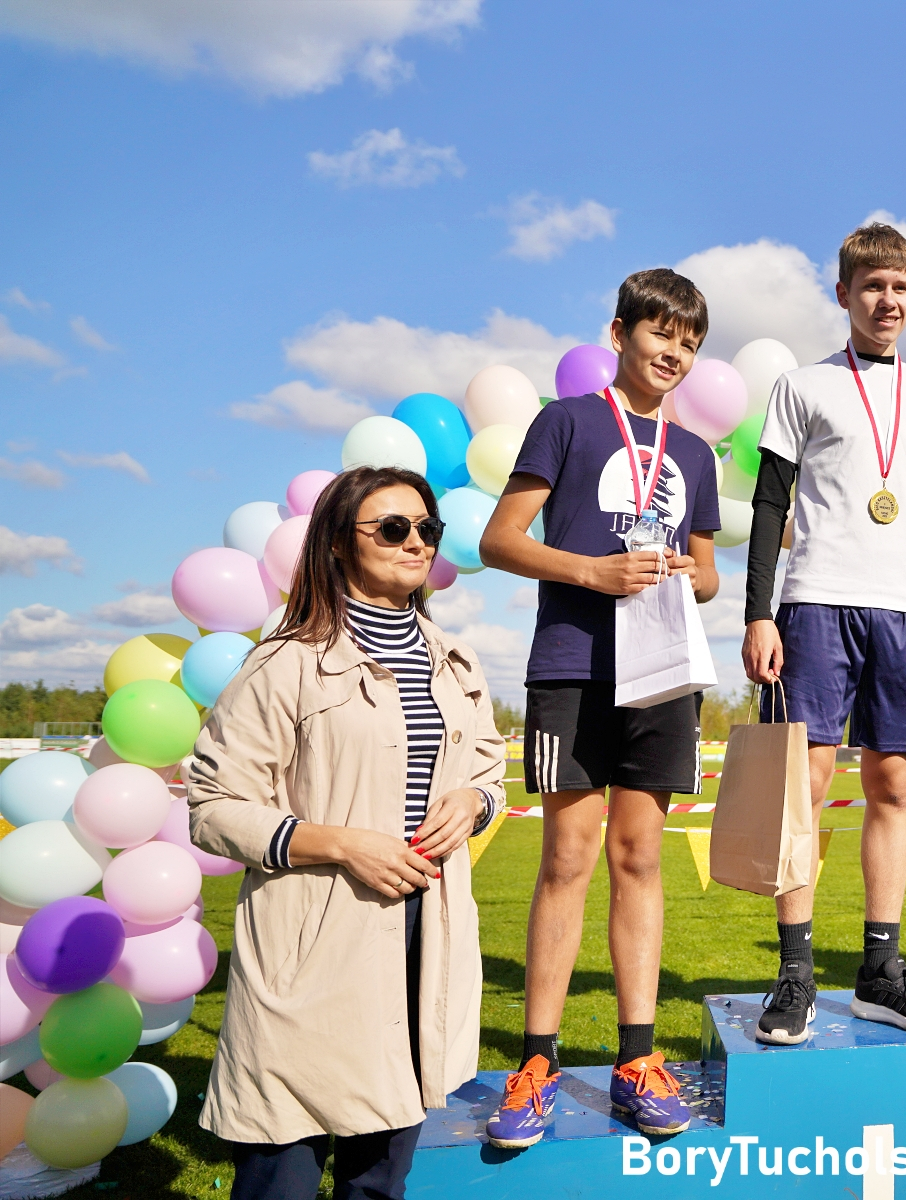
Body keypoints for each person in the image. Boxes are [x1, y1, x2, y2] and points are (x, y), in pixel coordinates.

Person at [186, 467, 507, 1200]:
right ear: (338, 542)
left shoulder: (454, 661)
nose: (416, 542)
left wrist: (473, 802)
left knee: (381, 1175)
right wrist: (341, 843)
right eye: (392, 528)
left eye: (428, 528)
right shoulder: (286, 662)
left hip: (425, 932)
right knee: (284, 1168)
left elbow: (488, 770)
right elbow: (212, 804)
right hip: (315, 935)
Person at [479, 269, 721, 1144]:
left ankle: (637, 1059)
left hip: (662, 671)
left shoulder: (695, 454)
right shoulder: (568, 421)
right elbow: (498, 539)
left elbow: (710, 573)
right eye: (661, 334)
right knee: (566, 859)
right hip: (574, 667)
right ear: (619, 333)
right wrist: (593, 571)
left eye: (690, 343)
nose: (674, 353)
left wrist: (689, 572)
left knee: (639, 858)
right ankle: (536, 1064)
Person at [740, 222, 906, 1045]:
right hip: (816, 603)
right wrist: (758, 610)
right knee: (801, 789)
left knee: (894, 788)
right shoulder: (802, 387)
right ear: (844, 294)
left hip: (905, 613)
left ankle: (880, 973)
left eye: (901, 287)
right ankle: (795, 974)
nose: (887, 300)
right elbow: (770, 504)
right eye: (872, 285)